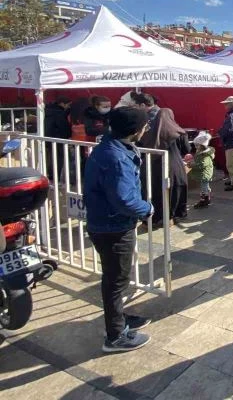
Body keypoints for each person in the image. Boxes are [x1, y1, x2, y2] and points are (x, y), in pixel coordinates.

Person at [84, 107, 153, 353]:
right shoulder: (115, 158)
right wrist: (147, 208)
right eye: (144, 126)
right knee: (116, 280)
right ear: (135, 130)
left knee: (116, 278)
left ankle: (118, 318)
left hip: (107, 223)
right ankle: (115, 336)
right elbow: (124, 200)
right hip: (112, 227)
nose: (146, 129)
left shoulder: (111, 148)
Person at [138, 107, 191, 224]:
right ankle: (170, 217)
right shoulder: (179, 132)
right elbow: (186, 149)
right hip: (174, 167)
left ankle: (152, 218)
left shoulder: (147, 133)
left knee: (153, 191)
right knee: (174, 191)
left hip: (151, 167)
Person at [190, 131, 215, 209]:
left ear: (202, 145)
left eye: (197, 145)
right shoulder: (202, 153)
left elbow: (201, 165)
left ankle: (204, 200)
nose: (195, 147)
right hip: (205, 173)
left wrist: (192, 165)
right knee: (205, 186)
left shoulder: (205, 155)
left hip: (205, 174)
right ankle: (207, 198)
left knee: (203, 188)